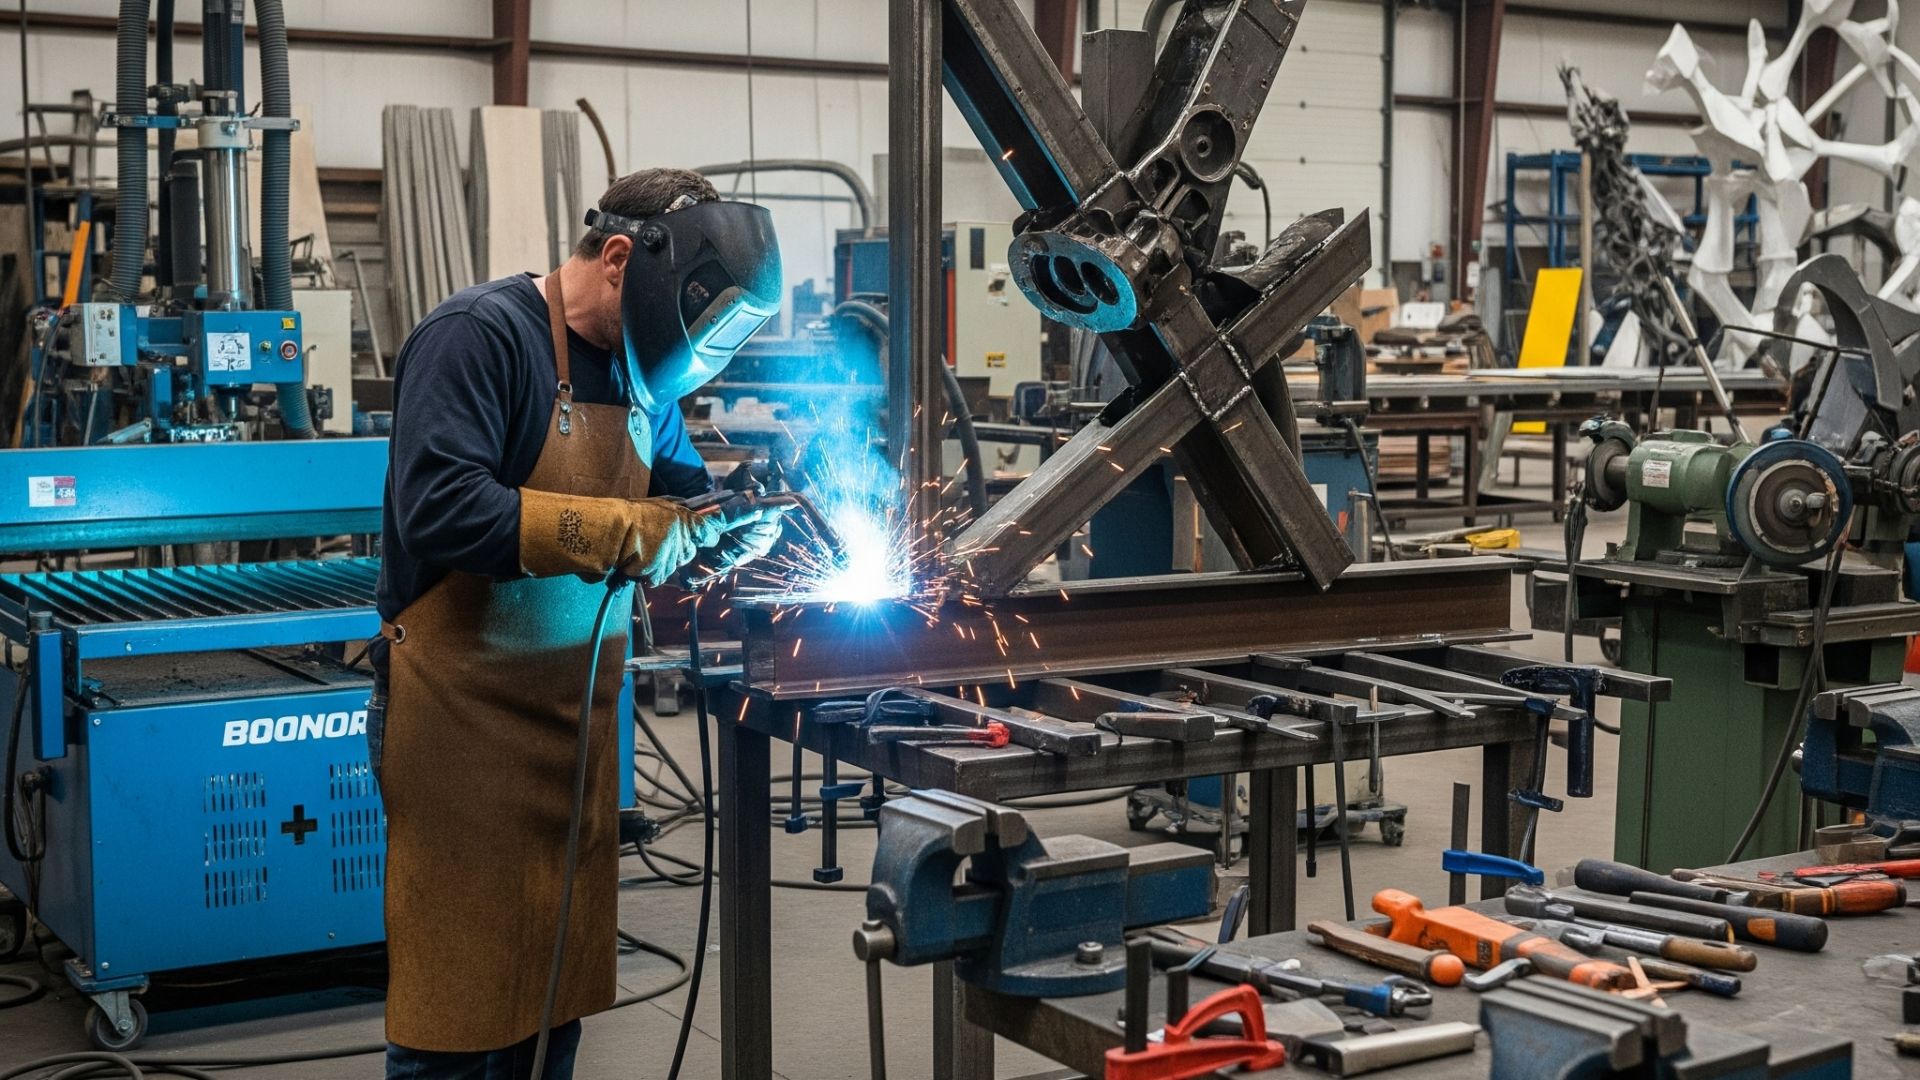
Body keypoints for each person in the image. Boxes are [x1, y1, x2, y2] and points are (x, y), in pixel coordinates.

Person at [369, 168, 785, 1079]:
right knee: (458, 1017)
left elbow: (681, 503)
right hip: (463, 727)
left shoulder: (643, 381)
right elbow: (440, 510)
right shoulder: (477, 337)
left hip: (575, 730)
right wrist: (635, 532)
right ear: (619, 258)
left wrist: (733, 526)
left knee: (550, 1002)